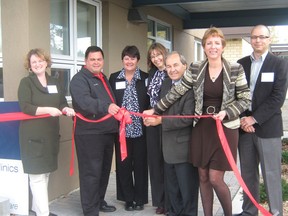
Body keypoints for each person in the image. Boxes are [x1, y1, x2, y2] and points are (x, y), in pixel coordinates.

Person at [147, 27, 251, 215]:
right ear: (203, 46)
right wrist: (155, 109)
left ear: (222, 46)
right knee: (203, 176)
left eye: (216, 43)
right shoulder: (196, 68)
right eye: (209, 43)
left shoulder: (236, 69)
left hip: (224, 127)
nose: (213, 47)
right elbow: (176, 92)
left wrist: (227, 112)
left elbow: (245, 99)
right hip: (201, 127)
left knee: (215, 178)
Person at [236, 25, 288, 216]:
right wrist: (243, 119)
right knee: (248, 174)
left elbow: (277, 98)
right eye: (254, 37)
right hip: (245, 130)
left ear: (269, 39)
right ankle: (249, 211)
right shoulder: (240, 64)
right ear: (250, 39)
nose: (258, 40)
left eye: (262, 37)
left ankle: (275, 213)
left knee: (272, 175)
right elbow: (234, 95)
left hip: (268, 128)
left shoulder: (279, 64)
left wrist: (254, 119)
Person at [18, 48, 75, 216]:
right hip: (32, 137)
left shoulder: (55, 82)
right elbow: (25, 107)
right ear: (29, 65)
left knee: (46, 174)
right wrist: (48, 110)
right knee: (36, 177)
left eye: (40, 61)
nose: (37, 64)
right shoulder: (26, 83)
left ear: (46, 62)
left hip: (50, 135)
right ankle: (44, 213)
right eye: (33, 62)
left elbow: (62, 102)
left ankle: (38, 210)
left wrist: (66, 109)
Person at [144, 51, 199, 216]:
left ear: (185, 65)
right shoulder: (166, 84)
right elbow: (162, 108)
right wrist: (152, 117)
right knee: (172, 191)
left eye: (176, 65)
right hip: (167, 147)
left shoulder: (192, 87)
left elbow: (187, 119)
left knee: (187, 192)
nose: (172, 69)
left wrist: (160, 121)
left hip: (184, 149)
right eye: (168, 66)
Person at [70, 46, 120, 216]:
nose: (96, 62)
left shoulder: (102, 77)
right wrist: (107, 107)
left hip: (106, 132)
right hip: (89, 134)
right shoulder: (79, 80)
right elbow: (84, 103)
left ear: (103, 61)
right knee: (91, 173)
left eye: (99, 59)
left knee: (104, 170)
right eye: (93, 59)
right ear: (86, 61)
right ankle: (90, 210)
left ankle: (99, 201)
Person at [109, 45, 150, 211]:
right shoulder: (114, 78)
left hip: (141, 129)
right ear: (122, 60)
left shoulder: (145, 78)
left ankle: (140, 199)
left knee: (140, 165)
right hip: (121, 131)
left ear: (137, 60)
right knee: (123, 165)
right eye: (126, 58)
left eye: (132, 58)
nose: (129, 61)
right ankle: (128, 198)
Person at [146, 42, 168, 214]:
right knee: (155, 163)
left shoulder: (172, 72)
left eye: (158, 54)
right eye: (153, 56)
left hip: (167, 122)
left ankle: (170, 200)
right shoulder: (152, 74)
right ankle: (160, 201)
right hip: (152, 123)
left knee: (167, 163)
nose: (156, 59)